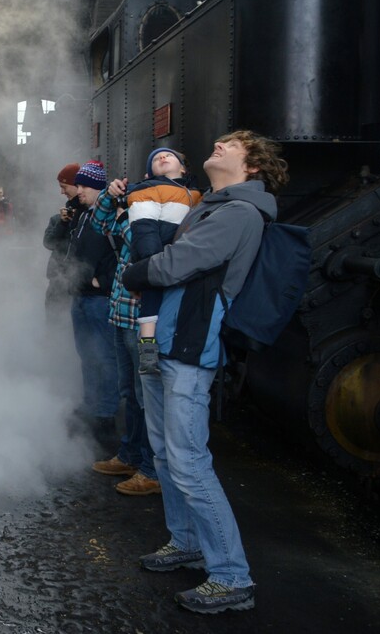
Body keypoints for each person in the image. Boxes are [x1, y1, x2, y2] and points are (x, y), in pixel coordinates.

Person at [121, 130, 289, 614]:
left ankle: (232, 576)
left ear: (252, 166)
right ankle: (187, 541)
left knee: (189, 461)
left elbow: (176, 263)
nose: (217, 144)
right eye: (217, 141)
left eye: (231, 144)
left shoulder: (238, 213)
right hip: (166, 341)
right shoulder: (212, 205)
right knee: (167, 455)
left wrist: (136, 273)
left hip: (190, 348)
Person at [86, 177, 159, 496]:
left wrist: (124, 213)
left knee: (149, 396)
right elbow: (100, 223)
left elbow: (150, 251)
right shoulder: (131, 215)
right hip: (122, 314)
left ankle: (152, 469)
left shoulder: (167, 214)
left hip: (144, 322)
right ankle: (130, 455)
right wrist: (108, 196)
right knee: (129, 391)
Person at [123, 148, 203, 374]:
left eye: (169, 156)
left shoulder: (197, 195)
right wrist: (151, 260)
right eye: (156, 159)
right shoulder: (148, 189)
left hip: (179, 259)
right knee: (151, 301)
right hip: (157, 256)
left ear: (183, 167)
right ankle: (147, 351)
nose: (162, 157)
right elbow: (144, 225)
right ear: (150, 174)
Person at [66, 160, 119, 442]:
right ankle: (90, 407)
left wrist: (106, 281)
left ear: (98, 186)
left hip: (100, 299)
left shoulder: (110, 216)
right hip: (83, 296)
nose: (78, 189)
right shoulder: (84, 214)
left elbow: (127, 250)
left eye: (83, 185)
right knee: (87, 356)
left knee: (105, 359)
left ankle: (105, 416)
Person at [42, 164, 81, 326]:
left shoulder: (88, 217)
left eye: (64, 187)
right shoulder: (57, 219)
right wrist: (62, 224)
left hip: (78, 282)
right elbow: (48, 243)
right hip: (57, 280)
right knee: (54, 321)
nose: (62, 192)